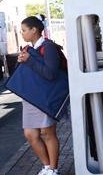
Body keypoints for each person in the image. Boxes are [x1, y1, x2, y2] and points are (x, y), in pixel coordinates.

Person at [17, 16, 62, 175]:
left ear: (34, 30)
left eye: (24, 30)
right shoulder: (29, 49)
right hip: (30, 98)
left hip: (45, 97)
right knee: (30, 134)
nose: (21, 33)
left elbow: (50, 74)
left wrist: (29, 61)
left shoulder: (48, 47)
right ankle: (46, 166)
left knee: (47, 133)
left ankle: (53, 169)